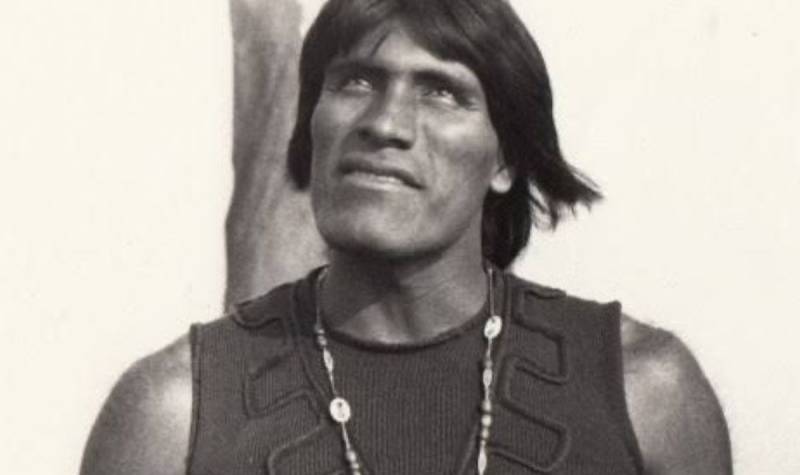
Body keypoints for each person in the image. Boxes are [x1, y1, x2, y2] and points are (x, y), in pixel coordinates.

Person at [80, 0, 732, 474]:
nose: (386, 123)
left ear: (505, 160)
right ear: (313, 124)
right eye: (356, 80)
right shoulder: (174, 416)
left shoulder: (642, 393)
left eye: (442, 92)